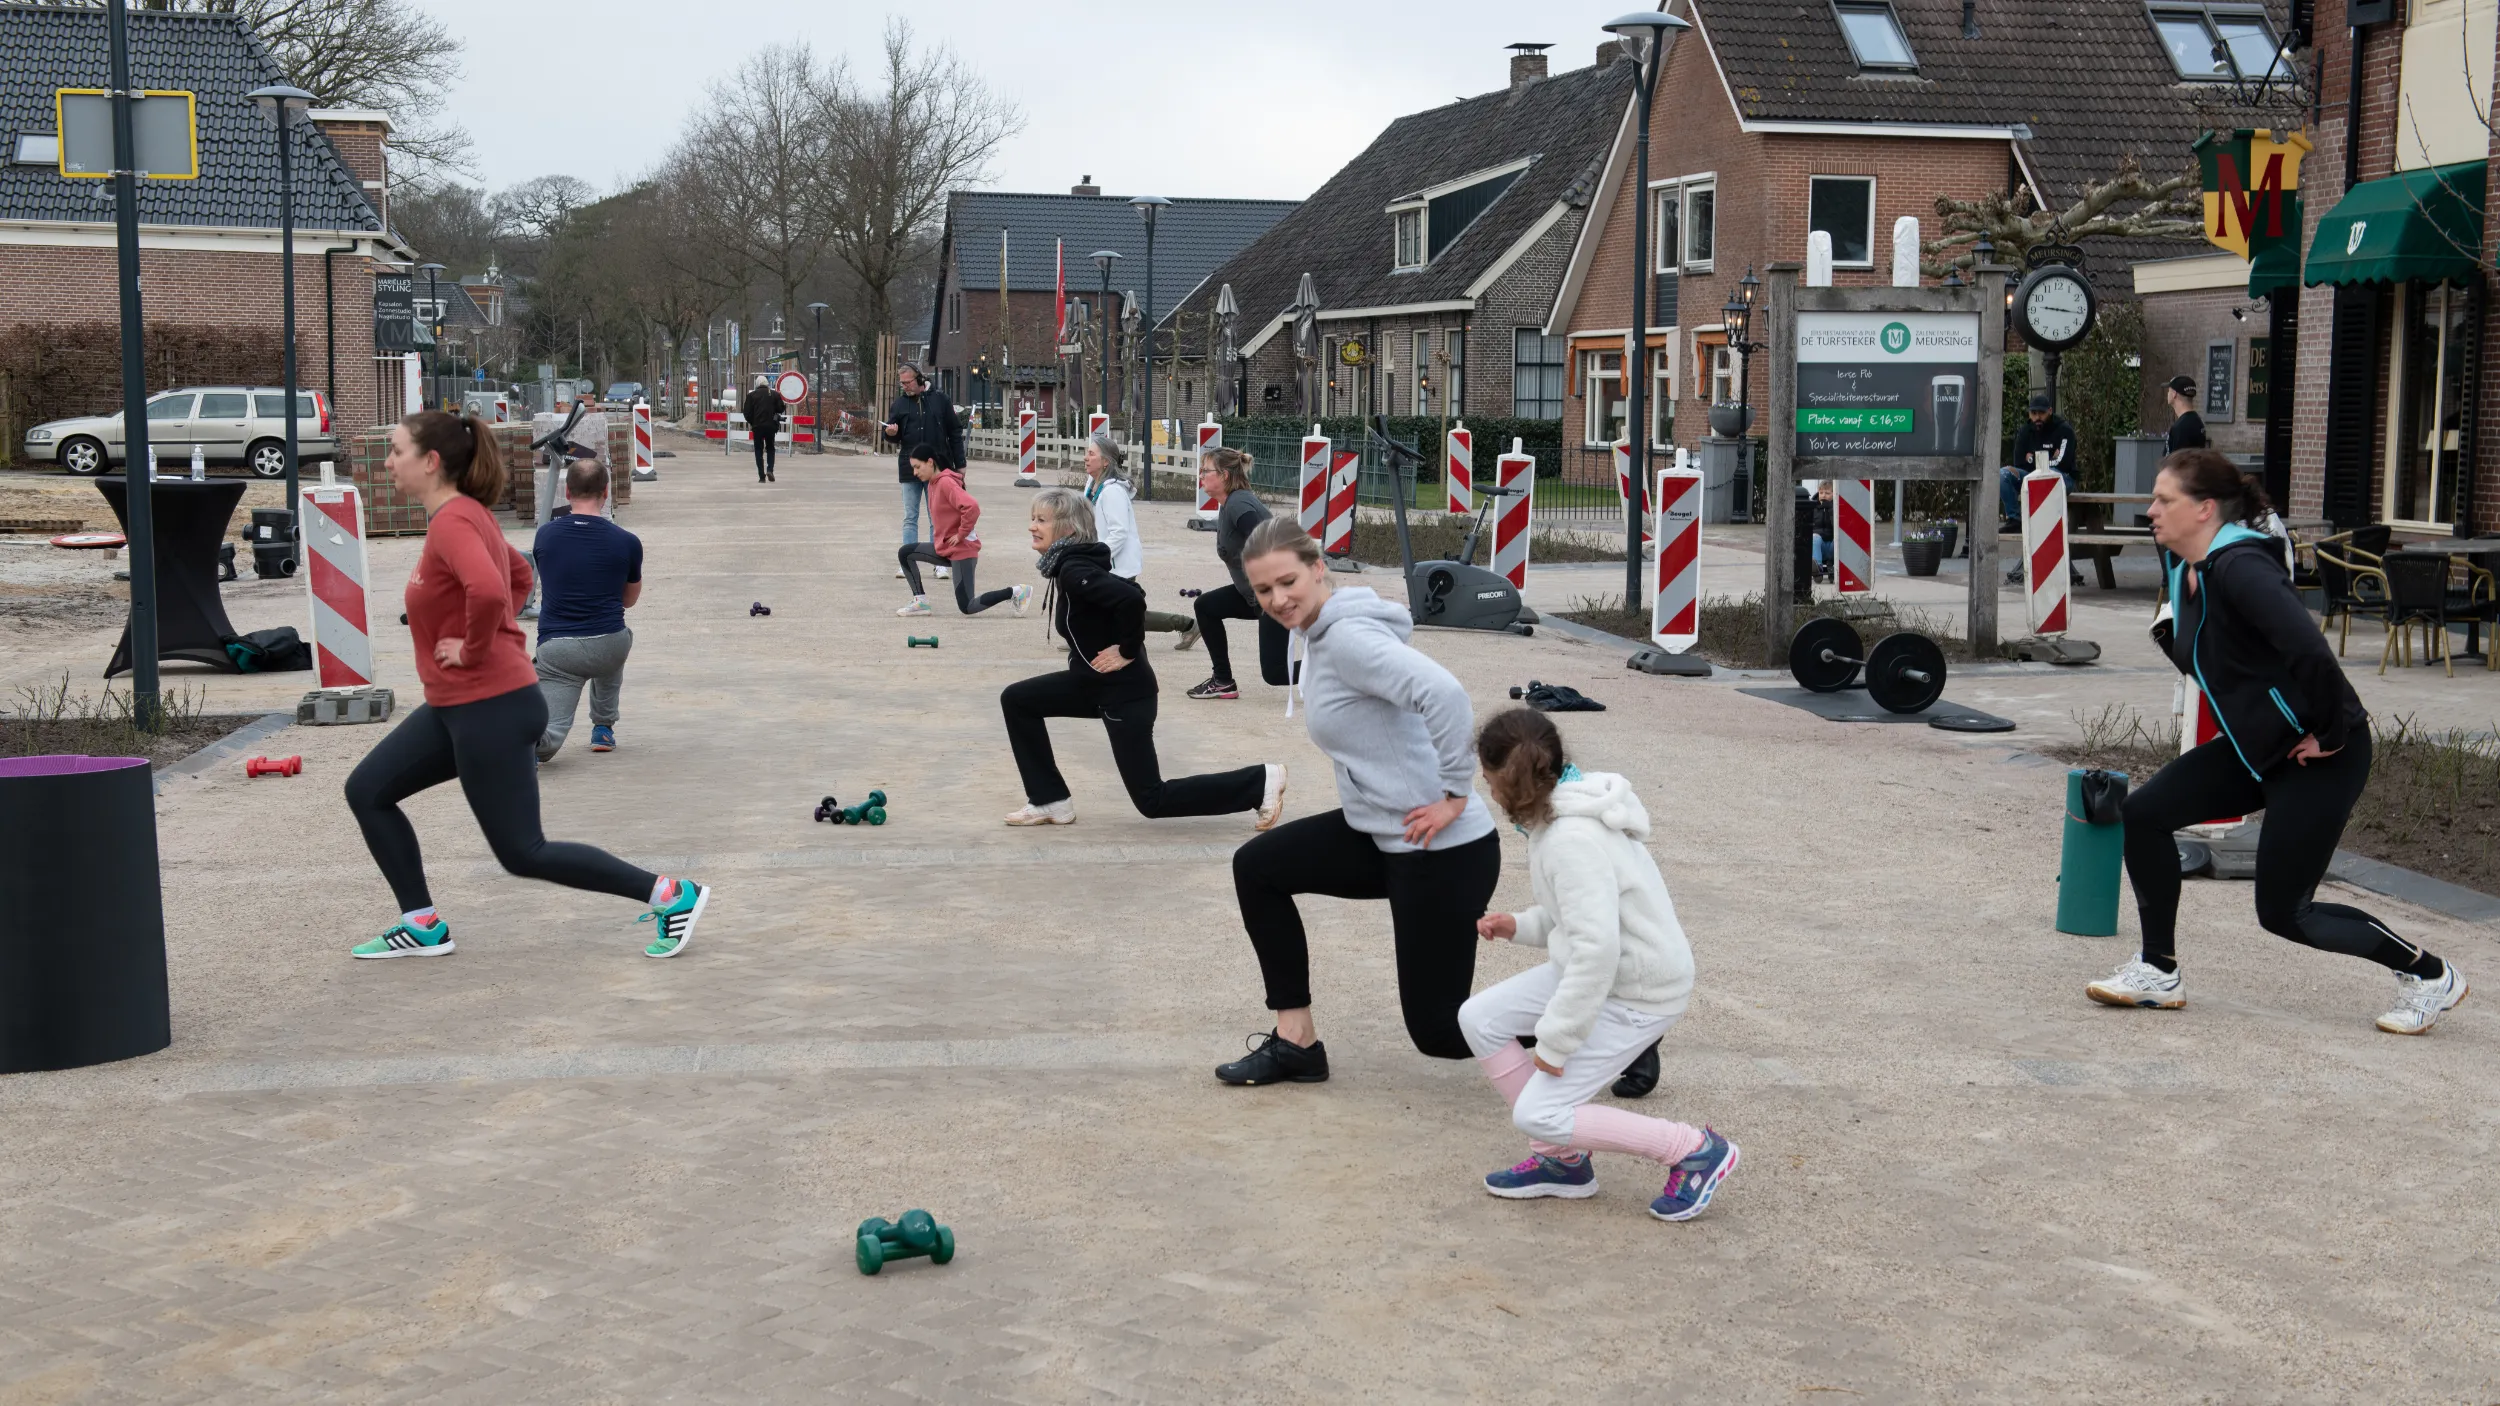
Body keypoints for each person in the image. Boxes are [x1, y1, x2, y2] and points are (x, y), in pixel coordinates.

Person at [2086, 449, 2466, 1034]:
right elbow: (2211, 659)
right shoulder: (2189, 569)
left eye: (2165, 500)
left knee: (2286, 913)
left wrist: (2332, 731)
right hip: (2258, 748)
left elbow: (2310, 651)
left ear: (2205, 508)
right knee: (2144, 813)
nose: (2152, 510)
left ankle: (2429, 974)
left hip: (2321, 755)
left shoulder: (2241, 567)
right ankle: (2159, 971)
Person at [343, 410, 711, 961]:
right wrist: (494, 643)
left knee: (523, 852)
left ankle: (671, 894)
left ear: (431, 461)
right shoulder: (464, 514)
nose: (388, 461)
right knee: (368, 791)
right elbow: (518, 577)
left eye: (396, 451)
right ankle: (421, 923)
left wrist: (472, 647)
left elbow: (492, 591)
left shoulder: (453, 521)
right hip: (459, 707)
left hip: (488, 707)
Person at [1216, 519, 1502, 1086]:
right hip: (1381, 834)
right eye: (1264, 590)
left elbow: (1443, 693)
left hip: (1440, 848)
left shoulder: (1348, 639)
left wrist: (1454, 794)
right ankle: (1296, 1041)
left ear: (1318, 568)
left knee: (1441, 1032)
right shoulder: (1320, 632)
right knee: (1259, 868)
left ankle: (1610, 1031)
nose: (1277, 599)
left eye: (1287, 581)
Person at [1459, 708, 1734, 1221]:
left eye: (1490, 778)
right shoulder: (1562, 814)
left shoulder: (1569, 840)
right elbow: (1582, 919)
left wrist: (1556, 1042)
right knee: (1479, 1018)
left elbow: (1596, 950)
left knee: (1539, 1110)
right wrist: (1519, 924)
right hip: (1604, 972)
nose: (1486, 788)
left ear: (1512, 782)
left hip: (1636, 992)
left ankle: (1693, 1150)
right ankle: (1562, 1161)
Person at [998, 486, 1287, 829]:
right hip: (1093, 684)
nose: (1032, 525)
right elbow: (1131, 590)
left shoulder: (1074, 570)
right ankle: (1049, 800)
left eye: (1041, 520)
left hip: (1124, 694)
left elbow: (1131, 600)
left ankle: (1260, 782)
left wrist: (1126, 650)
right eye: (1033, 518)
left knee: (1152, 799)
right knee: (1018, 700)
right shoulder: (1075, 563)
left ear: (1068, 529)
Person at [532, 457, 640, 761]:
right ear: (606, 493)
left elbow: (552, 583)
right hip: (609, 648)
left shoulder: (546, 535)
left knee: (550, 730)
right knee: (618, 632)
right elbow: (628, 600)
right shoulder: (627, 542)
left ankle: (533, 742)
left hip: (559, 654)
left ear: (567, 492)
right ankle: (603, 727)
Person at [1183, 446, 1293, 700]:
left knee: (1275, 674)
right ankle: (1222, 681)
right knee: (1206, 606)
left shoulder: (1238, 503)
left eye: (1205, 470)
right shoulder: (1229, 503)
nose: (1200, 475)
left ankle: (1341, 673)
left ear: (1224, 475)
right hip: (1254, 594)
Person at [1081, 431, 1194, 640]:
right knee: (1106, 610)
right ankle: (1186, 625)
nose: (1085, 458)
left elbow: (1119, 532)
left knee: (1125, 616)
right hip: (1107, 562)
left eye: (1091, 454)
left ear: (1105, 461)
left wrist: (1098, 557)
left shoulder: (1112, 492)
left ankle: (1186, 624)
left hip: (1117, 565)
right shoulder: (1094, 485)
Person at [896, 443, 1028, 618]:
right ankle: (920, 602)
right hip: (946, 548)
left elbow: (972, 507)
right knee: (905, 553)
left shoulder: (945, 482)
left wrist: (961, 534)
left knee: (967, 606)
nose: (914, 472)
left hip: (963, 550)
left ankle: (1016, 591)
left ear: (930, 462)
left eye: (917, 467)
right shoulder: (933, 483)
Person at [882, 365, 962, 579]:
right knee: (910, 516)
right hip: (909, 468)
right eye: (902, 383)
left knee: (937, 516)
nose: (905, 386)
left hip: (937, 468)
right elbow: (892, 435)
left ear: (919, 379)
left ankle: (939, 561)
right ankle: (907, 561)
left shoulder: (940, 400)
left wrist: (960, 464)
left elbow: (954, 432)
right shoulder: (899, 404)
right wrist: (889, 434)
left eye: (908, 382)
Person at [2000, 391, 2076, 529]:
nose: (2037, 417)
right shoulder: (2025, 431)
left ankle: (2045, 524)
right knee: (2003, 474)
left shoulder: (2064, 430)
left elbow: (2063, 463)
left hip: (2062, 478)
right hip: (2032, 477)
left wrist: (2032, 458)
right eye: (2033, 413)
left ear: (2050, 411)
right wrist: (2051, 457)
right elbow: (2019, 462)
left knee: (2049, 473)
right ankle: (2015, 519)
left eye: (2041, 413)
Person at [741, 375, 784, 484]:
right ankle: (770, 470)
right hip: (771, 427)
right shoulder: (774, 394)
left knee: (758, 450)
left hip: (757, 427)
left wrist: (753, 422)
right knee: (770, 448)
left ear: (757, 384)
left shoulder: (751, 396)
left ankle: (761, 476)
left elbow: (746, 413)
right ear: (767, 384)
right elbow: (780, 409)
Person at [2163, 374, 2209, 454]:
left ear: (2174, 394)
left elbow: (2178, 463)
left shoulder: (2180, 427)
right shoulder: (2197, 422)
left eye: (2169, 390)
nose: (2167, 393)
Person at [1808, 480, 1835, 582]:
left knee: (1839, 539)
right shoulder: (1813, 507)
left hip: (1832, 546)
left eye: (1827, 493)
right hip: (1820, 547)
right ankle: (1817, 569)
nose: (1824, 495)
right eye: (1821, 493)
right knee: (1815, 537)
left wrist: (1831, 509)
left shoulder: (1837, 506)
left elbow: (1837, 526)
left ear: (1833, 494)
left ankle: (1832, 565)